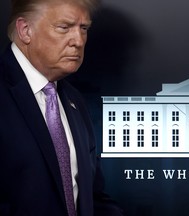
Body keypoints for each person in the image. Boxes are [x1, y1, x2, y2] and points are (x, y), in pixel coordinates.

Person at [0, 0, 123, 215]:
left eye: (83, 29)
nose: (78, 41)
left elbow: (93, 198)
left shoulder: (74, 101)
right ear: (25, 30)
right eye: (64, 28)